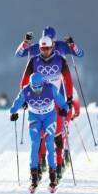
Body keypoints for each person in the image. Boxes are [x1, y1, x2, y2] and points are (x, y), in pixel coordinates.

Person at [20, 36, 74, 180]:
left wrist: (68, 98)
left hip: (55, 98)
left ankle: (59, 164)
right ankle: (38, 167)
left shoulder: (60, 60)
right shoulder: (34, 61)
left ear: (52, 48)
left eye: (47, 48)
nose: (45, 51)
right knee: (38, 137)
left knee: (56, 134)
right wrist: (24, 98)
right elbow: (25, 80)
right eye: (42, 49)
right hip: (37, 100)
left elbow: (68, 79)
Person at [10, 73, 69, 193]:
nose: (37, 90)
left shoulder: (50, 88)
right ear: (30, 85)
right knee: (35, 144)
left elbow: (62, 101)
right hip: (34, 117)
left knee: (49, 144)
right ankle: (34, 178)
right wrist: (13, 112)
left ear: (43, 83)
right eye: (34, 87)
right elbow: (17, 102)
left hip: (49, 117)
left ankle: (53, 178)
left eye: (39, 87)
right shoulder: (26, 91)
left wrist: (64, 109)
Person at [15, 26, 84, 58]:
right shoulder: (37, 47)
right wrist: (25, 43)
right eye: (47, 41)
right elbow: (19, 54)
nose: (50, 44)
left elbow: (80, 54)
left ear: (55, 39)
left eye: (52, 41)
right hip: (41, 81)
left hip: (58, 79)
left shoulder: (61, 46)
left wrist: (73, 46)